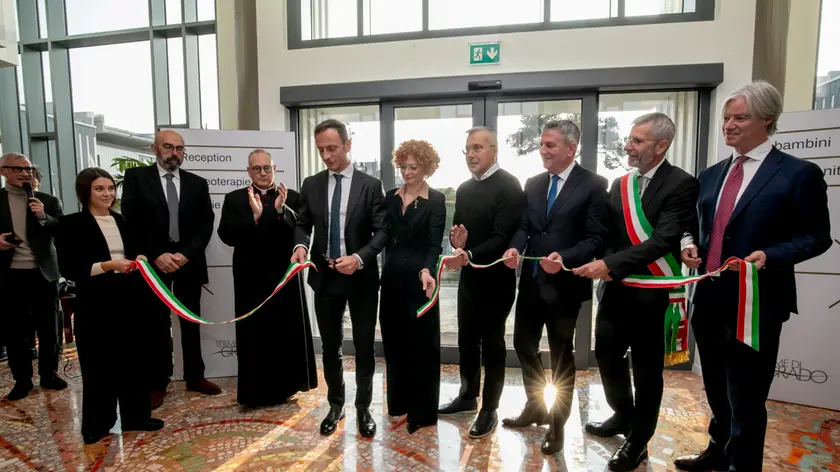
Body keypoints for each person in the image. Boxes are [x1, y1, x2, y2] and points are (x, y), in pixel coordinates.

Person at [674, 81, 831, 472]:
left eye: (739, 117)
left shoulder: (798, 173)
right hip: (708, 297)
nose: (728, 125)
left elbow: (817, 237)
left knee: (746, 395)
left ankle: (742, 465)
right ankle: (718, 450)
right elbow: (695, 226)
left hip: (757, 304)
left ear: (768, 120)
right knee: (714, 387)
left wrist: (770, 256)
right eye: (726, 117)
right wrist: (688, 245)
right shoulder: (711, 175)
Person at [575, 113, 699, 471]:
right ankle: (623, 417)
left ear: (661, 146)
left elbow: (664, 240)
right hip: (616, 292)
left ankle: (639, 440)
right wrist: (596, 258)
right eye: (629, 139)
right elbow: (612, 235)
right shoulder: (620, 184)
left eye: (637, 141)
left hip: (654, 295)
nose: (628, 146)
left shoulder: (681, 184)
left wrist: (611, 264)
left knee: (646, 372)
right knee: (608, 359)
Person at [501, 120, 611, 454]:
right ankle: (536, 405)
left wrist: (562, 257)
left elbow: (596, 237)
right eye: (542, 144)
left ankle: (558, 426)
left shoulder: (594, 184)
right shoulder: (533, 183)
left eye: (550, 145)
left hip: (565, 286)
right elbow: (525, 227)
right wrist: (515, 248)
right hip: (533, 282)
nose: (543, 150)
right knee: (522, 344)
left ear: (570, 148)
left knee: (562, 359)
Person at [291, 119, 388, 438]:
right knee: (330, 346)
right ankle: (335, 404)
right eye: (321, 150)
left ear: (348, 145)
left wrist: (359, 258)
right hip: (325, 277)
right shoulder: (311, 183)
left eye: (332, 148)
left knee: (363, 346)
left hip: (360, 278)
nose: (327, 156)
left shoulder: (370, 185)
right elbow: (303, 223)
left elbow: (383, 231)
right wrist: (300, 246)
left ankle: (363, 408)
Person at [55, 168, 164, 444]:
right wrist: (108, 266)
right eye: (99, 189)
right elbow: (70, 267)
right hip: (96, 302)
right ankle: (98, 424)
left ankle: (135, 416)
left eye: (110, 188)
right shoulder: (70, 224)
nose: (107, 194)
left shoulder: (122, 221)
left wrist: (138, 257)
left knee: (133, 360)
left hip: (129, 299)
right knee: (98, 365)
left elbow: (133, 252)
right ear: (86, 192)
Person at [121, 130, 221, 409]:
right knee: (155, 325)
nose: (174, 153)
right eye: (168, 147)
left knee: (191, 321)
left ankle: (195, 377)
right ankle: (157, 382)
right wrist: (156, 255)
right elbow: (132, 222)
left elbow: (206, 224)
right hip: (155, 265)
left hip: (187, 263)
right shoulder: (136, 179)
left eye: (179, 148)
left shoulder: (197, 183)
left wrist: (186, 254)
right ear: (155, 148)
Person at [437, 126, 525, 438]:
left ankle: (490, 407)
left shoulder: (509, 186)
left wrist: (468, 251)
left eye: (478, 148)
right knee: (466, 340)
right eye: (468, 149)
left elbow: (503, 237)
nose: (471, 155)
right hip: (470, 277)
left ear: (494, 151)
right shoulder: (463, 188)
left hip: (497, 280)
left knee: (493, 345)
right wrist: (456, 240)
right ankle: (466, 396)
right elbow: (459, 233)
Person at [217, 149, 317, 407]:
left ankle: (287, 386)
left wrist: (280, 211)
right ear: (249, 172)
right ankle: (255, 392)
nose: (263, 173)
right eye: (257, 169)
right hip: (250, 278)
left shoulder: (291, 196)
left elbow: (300, 229)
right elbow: (226, 235)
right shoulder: (235, 199)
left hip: (283, 277)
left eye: (267, 168)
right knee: (254, 333)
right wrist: (255, 216)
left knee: (285, 331)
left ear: (275, 168)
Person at [379, 140, 446, 434]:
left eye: (413, 167)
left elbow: (434, 245)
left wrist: (427, 270)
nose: (407, 172)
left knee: (422, 347)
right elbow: (383, 236)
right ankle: (399, 402)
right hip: (392, 278)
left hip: (422, 282)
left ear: (427, 168)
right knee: (395, 343)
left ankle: (422, 411)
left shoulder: (437, 200)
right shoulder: (390, 198)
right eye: (403, 166)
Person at [0, 152, 67, 400]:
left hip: (43, 273)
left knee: (49, 327)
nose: (24, 173)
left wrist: (43, 216)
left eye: (27, 169)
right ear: (3, 171)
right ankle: (22, 380)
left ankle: (49, 374)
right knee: (14, 330)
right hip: (9, 274)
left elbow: (62, 232)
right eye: (17, 169)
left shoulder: (47, 200)